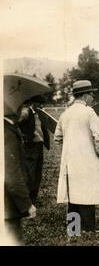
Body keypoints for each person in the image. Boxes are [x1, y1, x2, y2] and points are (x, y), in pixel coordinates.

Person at [54, 80, 99, 234]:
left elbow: (57, 137)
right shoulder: (89, 112)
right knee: (87, 192)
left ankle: (73, 228)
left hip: (70, 161)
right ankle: (89, 228)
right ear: (85, 96)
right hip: (87, 160)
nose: (92, 97)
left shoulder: (66, 113)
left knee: (72, 194)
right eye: (91, 94)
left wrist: (70, 147)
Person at [3, 114, 37, 244]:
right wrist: (26, 204)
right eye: (24, 106)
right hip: (7, 208)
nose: (26, 111)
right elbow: (12, 176)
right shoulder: (7, 132)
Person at [17, 97, 50, 205]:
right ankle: (27, 200)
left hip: (39, 145)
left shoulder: (38, 113)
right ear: (33, 103)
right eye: (39, 103)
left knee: (37, 173)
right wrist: (24, 138)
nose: (41, 106)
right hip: (30, 146)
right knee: (30, 173)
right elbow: (16, 125)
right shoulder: (26, 112)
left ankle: (33, 198)